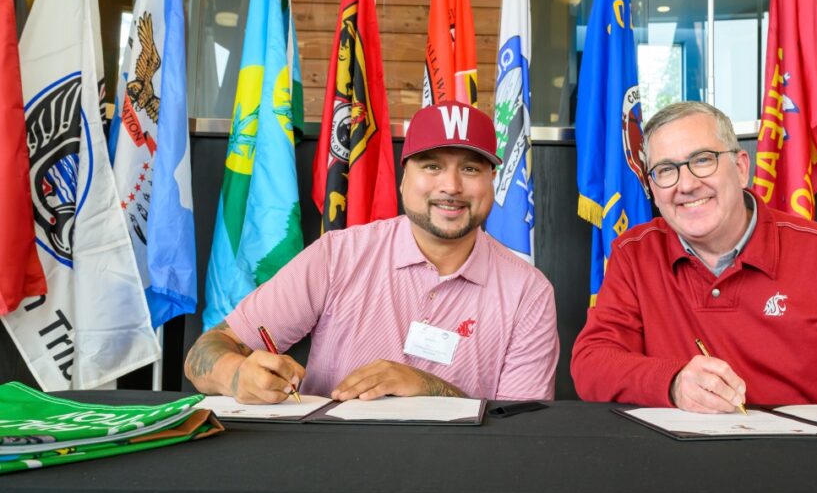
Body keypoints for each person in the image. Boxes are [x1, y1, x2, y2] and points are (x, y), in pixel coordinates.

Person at [186, 101, 558, 403]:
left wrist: (429, 387)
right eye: (432, 166)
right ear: (403, 179)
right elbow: (207, 350)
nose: (451, 185)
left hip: (459, 477)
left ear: (492, 183)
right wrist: (236, 375)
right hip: (330, 468)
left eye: (471, 168)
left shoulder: (528, 291)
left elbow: (520, 431)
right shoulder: (338, 256)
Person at [571, 101, 817, 411]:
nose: (687, 184)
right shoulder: (634, 254)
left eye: (703, 160)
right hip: (680, 471)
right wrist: (673, 382)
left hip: (806, 471)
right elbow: (591, 365)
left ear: (742, 168)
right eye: (665, 170)